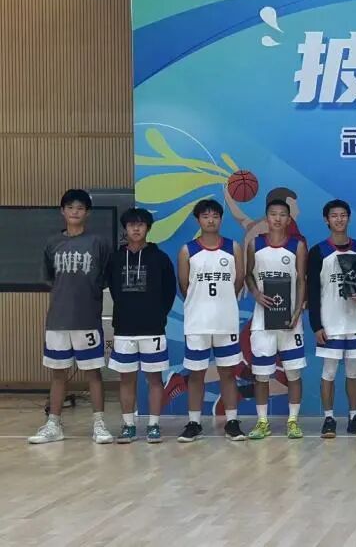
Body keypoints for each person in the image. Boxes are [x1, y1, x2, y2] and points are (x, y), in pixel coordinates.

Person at [29, 189, 114, 445]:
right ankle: (53, 424)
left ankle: (99, 424)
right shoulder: (52, 243)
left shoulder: (98, 243)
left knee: (93, 372)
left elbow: (105, 277)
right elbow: (49, 278)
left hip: (87, 319)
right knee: (58, 373)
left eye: (80, 208)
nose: (75, 212)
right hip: (58, 320)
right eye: (70, 207)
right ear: (62, 211)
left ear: (87, 213)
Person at [176, 199, 247, 442]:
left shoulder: (233, 247)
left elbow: (238, 282)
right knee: (196, 374)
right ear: (198, 220)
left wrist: (222, 303)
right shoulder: (187, 250)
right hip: (197, 323)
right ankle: (194, 423)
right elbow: (184, 286)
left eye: (215, 216)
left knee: (228, 373)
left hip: (226, 322)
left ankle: (232, 422)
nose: (210, 220)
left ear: (221, 219)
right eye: (205, 216)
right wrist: (201, 304)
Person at [107, 208, 177, 444]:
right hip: (124, 329)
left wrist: (157, 315)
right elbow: (114, 289)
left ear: (148, 228)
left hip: (153, 329)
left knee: (154, 379)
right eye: (131, 225)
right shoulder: (116, 259)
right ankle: (128, 425)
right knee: (126, 379)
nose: (136, 229)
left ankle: (154, 425)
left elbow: (169, 291)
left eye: (140, 224)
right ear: (125, 228)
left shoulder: (160, 258)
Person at [307, 199, 356, 439]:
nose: (339, 219)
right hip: (330, 323)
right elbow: (312, 291)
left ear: (349, 218)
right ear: (326, 220)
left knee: (354, 371)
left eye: (343, 215)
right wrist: (316, 325)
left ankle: (354, 417)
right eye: (334, 215)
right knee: (329, 371)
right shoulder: (318, 251)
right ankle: (328, 418)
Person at [245, 198, 308, 440]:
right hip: (263, 320)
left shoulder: (297, 246)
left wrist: (297, 311)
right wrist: (256, 293)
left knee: (293, 373)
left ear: (289, 219)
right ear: (266, 217)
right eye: (273, 214)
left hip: (290, 320)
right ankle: (262, 422)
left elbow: (301, 280)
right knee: (261, 375)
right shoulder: (255, 244)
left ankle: (293, 421)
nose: (278, 218)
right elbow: (248, 275)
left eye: (283, 214)